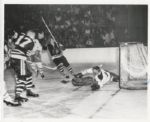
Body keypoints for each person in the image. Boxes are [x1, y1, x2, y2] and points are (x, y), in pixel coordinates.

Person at [9, 30, 39, 104]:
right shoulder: (31, 42)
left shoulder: (22, 37)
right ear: (31, 36)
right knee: (22, 77)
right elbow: (28, 53)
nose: (34, 38)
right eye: (34, 37)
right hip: (19, 58)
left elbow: (16, 44)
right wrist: (32, 53)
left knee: (28, 74)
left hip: (14, 56)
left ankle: (28, 91)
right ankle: (17, 96)